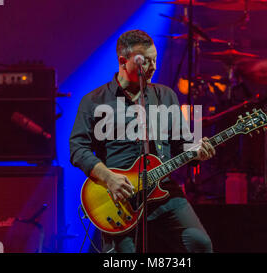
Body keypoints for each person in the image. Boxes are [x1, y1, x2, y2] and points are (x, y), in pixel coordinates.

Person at [69, 29, 215, 253]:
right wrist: (108, 178)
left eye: (155, 60)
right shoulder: (94, 101)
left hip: (163, 191)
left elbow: (184, 144)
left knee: (200, 245)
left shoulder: (166, 96)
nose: (154, 67)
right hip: (120, 198)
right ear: (123, 61)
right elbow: (78, 149)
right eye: (145, 62)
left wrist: (197, 151)